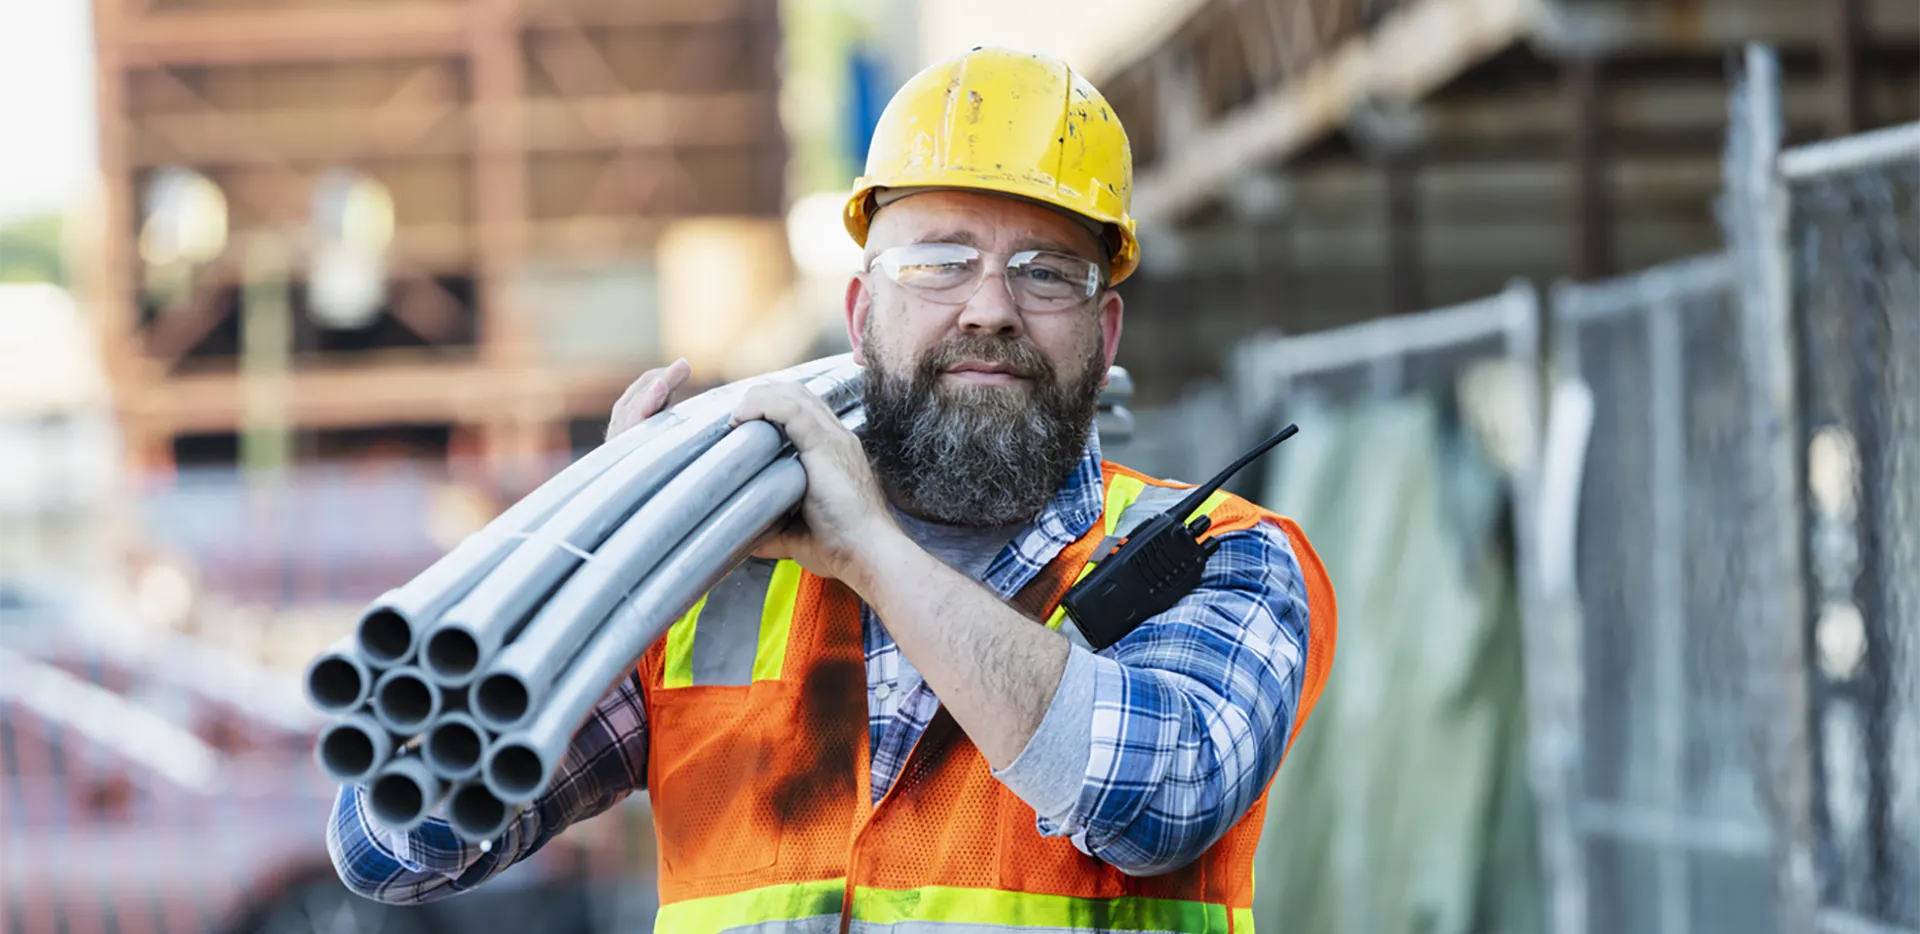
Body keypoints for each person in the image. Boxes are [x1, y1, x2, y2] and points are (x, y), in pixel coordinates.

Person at [327, 46, 1336, 933]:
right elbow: (395, 849)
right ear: (861, 313)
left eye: (1045, 271)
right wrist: (605, 561)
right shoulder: (714, 574)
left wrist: (869, 553)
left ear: (1105, 332)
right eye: (939, 261)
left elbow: (1159, 797)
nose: (988, 306)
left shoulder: (1219, 555)